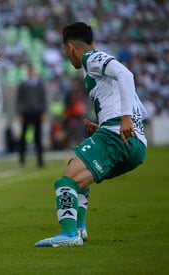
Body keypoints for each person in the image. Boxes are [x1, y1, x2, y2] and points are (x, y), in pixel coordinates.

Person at [35, 22, 148, 247]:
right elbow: (140, 109)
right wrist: (105, 124)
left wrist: (122, 119)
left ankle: (68, 235)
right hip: (136, 145)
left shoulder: (91, 57)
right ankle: (79, 227)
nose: (69, 58)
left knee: (65, 181)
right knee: (79, 175)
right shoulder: (96, 61)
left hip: (117, 136)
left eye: (66, 53)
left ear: (70, 48)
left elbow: (126, 75)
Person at [16, 64, 46, 168]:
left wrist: (43, 112)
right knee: (23, 138)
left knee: (38, 137)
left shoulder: (39, 84)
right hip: (26, 113)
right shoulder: (23, 84)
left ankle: (40, 160)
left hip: (37, 113)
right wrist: (19, 113)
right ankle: (22, 160)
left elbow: (43, 99)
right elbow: (19, 100)